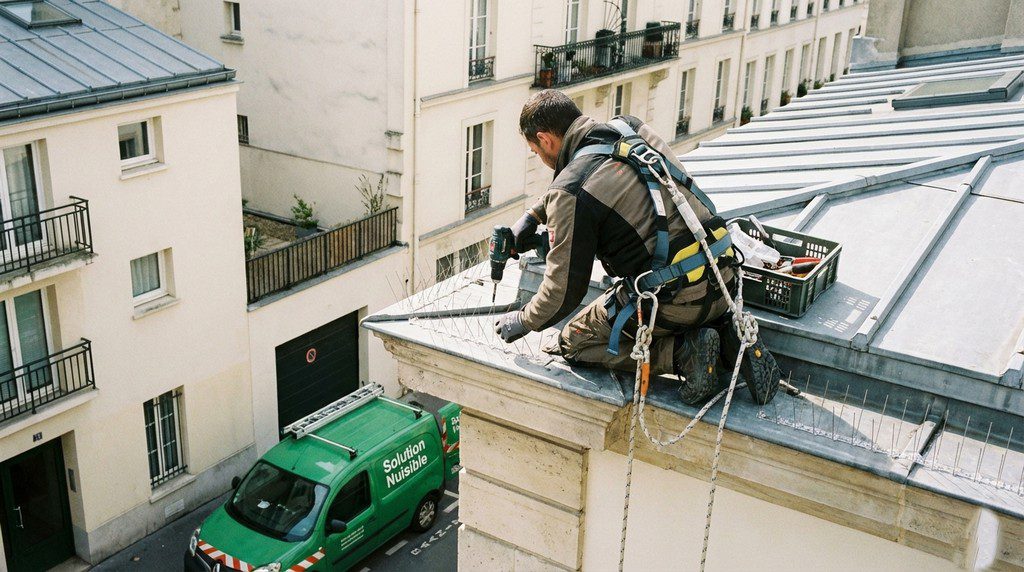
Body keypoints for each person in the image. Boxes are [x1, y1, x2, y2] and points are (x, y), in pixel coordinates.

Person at [494, 90, 780, 405]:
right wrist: (533, 216)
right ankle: (728, 338)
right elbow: (592, 175)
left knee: (574, 340)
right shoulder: (630, 129)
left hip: (675, 303)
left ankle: (685, 354)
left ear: (545, 139)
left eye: (535, 150)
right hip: (722, 277)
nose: (539, 156)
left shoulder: (570, 191)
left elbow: (563, 293)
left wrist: (522, 320)